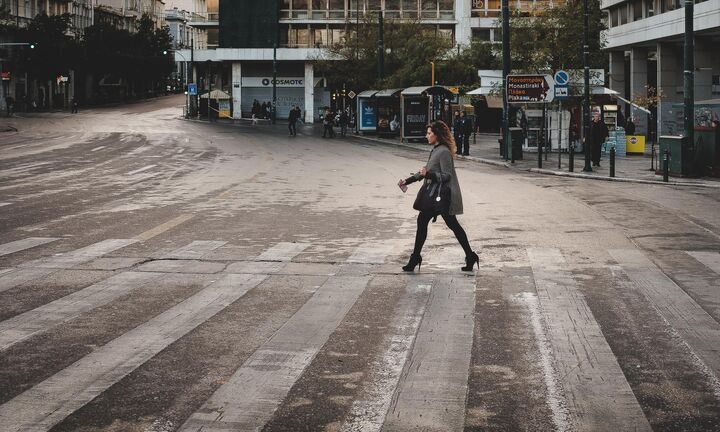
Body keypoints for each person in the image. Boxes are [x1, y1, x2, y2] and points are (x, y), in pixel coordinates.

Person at [397, 120, 479, 272]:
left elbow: (446, 176)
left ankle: (416, 258)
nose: (426, 136)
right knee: (438, 223)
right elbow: (425, 171)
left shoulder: (444, 152)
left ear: (437, 135)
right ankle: (470, 255)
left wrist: (429, 174)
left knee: (447, 224)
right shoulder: (436, 150)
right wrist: (407, 181)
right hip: (434, 196)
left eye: (429, 133)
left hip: (441, 196)